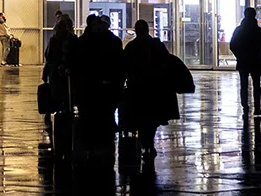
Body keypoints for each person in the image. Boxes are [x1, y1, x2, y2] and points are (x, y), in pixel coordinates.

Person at [120, 19, 179, 161]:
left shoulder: (131, 47)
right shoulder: (156, 45)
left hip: (137, 88)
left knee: (140, 116)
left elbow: (124, 68)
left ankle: (144, 141)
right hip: (154, 88)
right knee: (152, 119)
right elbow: (167, 64)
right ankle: (148, 143)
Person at [70, 14, 124, 151]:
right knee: (103, 117)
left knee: (89, 119)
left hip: (88, 87)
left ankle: (90, 150)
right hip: (101, 87)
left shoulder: (83, 42)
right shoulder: (108, 41)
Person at [229, 7, 261, 114]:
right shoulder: (258, 30)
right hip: (255, 61)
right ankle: (257, 107)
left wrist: (239, 56)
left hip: (243, 61)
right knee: (256, 84)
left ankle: (245, 105)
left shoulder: (239, 30)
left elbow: (232, 45)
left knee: (243, 84)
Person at [42, 14, 77, 125]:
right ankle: (67, 110)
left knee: (54, 92)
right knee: (67, 94)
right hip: (65, 72)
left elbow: (48, 55)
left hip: (55, 71)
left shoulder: (54, 40)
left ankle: (51, 111)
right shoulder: (72, 39)